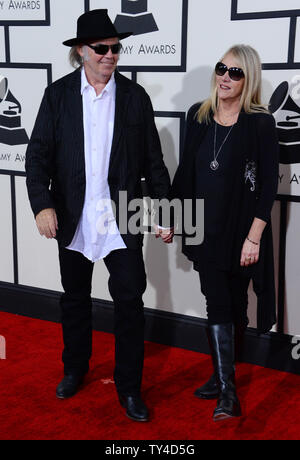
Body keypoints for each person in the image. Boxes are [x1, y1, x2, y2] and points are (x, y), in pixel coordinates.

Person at [25, 9, 172, 423]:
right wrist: (42, 205)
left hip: (120, 217)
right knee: (74, 300)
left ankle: (129, 388)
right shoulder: (57, 96)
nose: (111, 55)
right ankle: (75, 369)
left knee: (130, 302)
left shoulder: (134, 98)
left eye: (116, 48)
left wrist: (164, 211)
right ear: (81, 52)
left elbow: (154, 163)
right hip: (71, 215)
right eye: (102, 48)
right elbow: (36, 158)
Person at [170, 44, 279, 421]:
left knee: (235, 306)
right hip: (205, 230)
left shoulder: (260, 123)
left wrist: (255, 237)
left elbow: (268, 186)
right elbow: (185, 174)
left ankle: (220, 376)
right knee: (216, 302)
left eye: (235, 72)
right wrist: (170, 216)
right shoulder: (197, 116)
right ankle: (228, 393)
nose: (225, 77)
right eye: (221, 69)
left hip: (241, 231)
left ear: (248, 80)